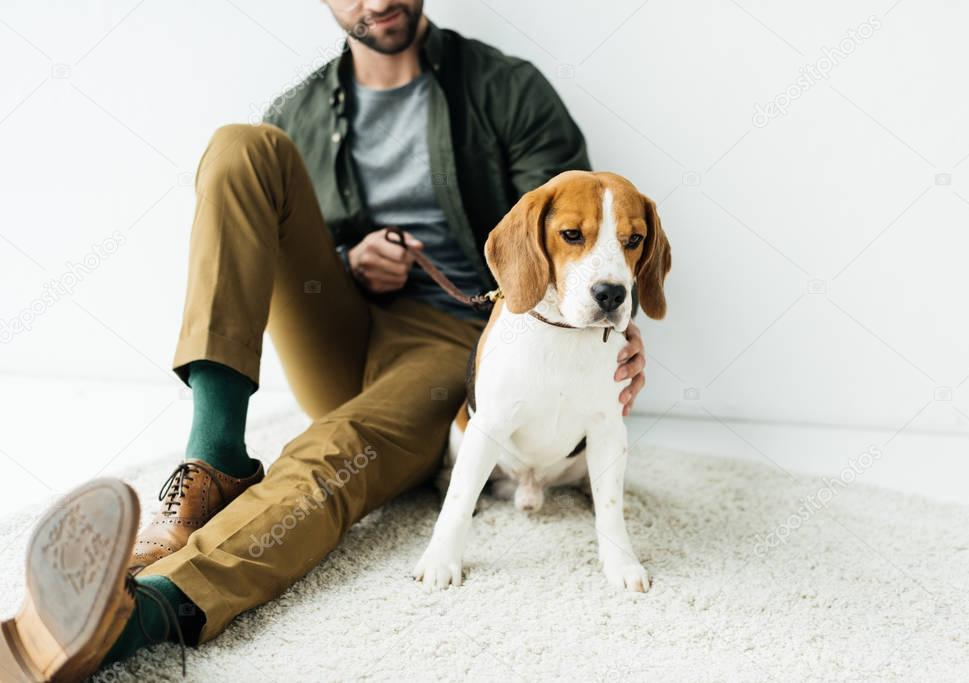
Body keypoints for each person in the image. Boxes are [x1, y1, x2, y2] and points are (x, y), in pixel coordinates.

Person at [0, 1, 648, 679]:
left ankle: (147, 611)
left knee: (339, 448)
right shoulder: (298, 111)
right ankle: (214, 456)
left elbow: (584, 231)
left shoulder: (506, 90)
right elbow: (275, 243)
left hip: (457, 338)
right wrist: (346, 260)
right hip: (336, 324)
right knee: (239, 146)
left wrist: (614, 331)